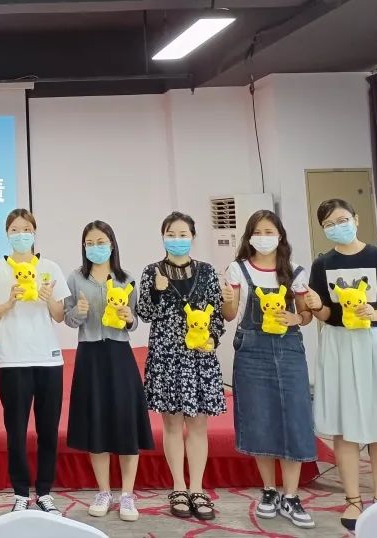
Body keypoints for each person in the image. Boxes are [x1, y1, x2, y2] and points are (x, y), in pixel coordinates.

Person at [307, 198, 377, 531]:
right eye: (328, 224)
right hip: (339, 345)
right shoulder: (322, 263)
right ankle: (353, 500)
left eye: (342, 220)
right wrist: (315, 306)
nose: (336, 227)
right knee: (346, 425)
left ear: (355, 219)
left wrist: (376, 313)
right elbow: (326, 313)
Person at [221, 210, 317, 529]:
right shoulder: (238, 268)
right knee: (259, 418)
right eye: (258, 232)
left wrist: (296, 318)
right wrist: (227, 299)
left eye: (269, 231)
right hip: (251, 350)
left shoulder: (295, 271)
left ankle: (291, 495)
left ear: (280, 236)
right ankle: (269, 490)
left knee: (293, 418)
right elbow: (229, 314)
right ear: (249, 237)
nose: (264, 237)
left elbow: (306, 314)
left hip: (289, 350)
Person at [135, 211, 225, 522]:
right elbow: (144, 313)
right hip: (166, 355)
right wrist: (157, 289)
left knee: (198, 425)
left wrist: (212, 337)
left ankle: (197, 488)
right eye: (171, 235)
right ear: (163, 238)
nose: (177, 240)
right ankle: (178, 487)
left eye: (183, 234)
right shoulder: (152, 271)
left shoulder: (207, 271)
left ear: (192, 237)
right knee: (172, 425)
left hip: (199, 357)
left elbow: (217, 314)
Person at [64, 220, 153, 523]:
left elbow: (135, 321)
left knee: (126, 421)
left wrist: (129, 318)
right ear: (84, 246)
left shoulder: (127, 279)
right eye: (90, 243)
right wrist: (78, 313)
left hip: (119, 354)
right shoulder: (76, 278)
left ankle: (127, 493)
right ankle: (103, 491)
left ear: (112, 244)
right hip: (89, 355)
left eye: (101, 242)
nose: (96, 247)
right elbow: (68, 319)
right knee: (96, 422)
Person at [0, 208, 68, 515]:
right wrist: (9, 302)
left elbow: (60, 315)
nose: (21, 235)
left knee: (48, 430)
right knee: (16, 431)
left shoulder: (50, 268)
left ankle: (44, 492)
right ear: (7, 234)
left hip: (48, 359)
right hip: (12, 360)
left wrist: (49, 299)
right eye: (15, 230)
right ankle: (20, 492)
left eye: (26, 229)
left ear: (34, 232)